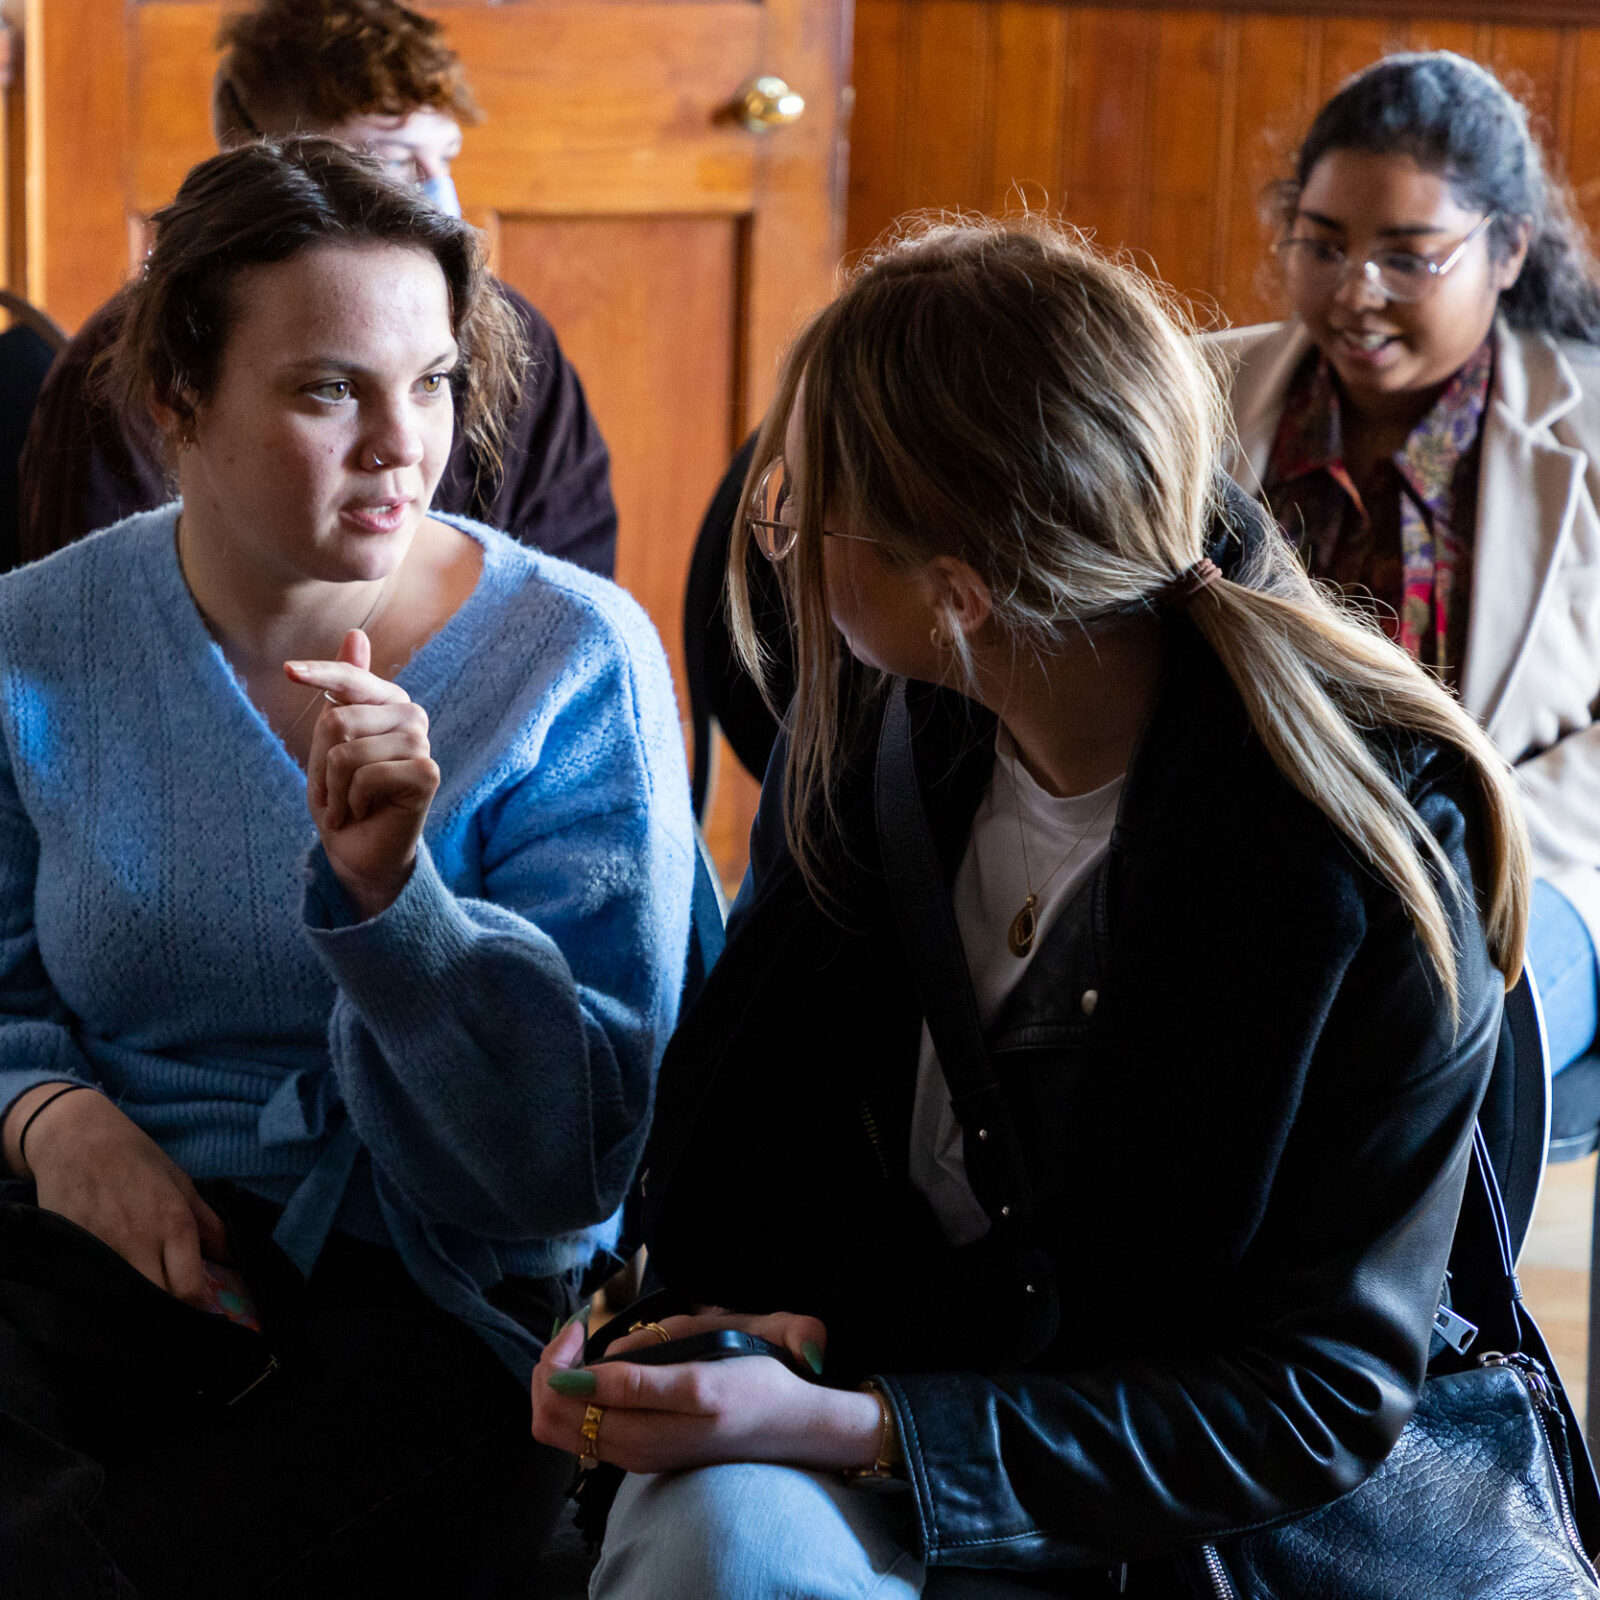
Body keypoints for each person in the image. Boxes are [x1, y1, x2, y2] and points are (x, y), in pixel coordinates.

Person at [526, 218, 1532, 1595]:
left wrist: (874, 1427)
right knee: (722, 1543)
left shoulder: (1353, 855)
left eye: (805, 509)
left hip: (1196, 1517)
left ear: (959, 593)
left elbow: (1316, 1395)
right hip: (899, 1414)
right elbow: (762, 1146)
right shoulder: (890, 729)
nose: (784, 545)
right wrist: (717, 1338)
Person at [0, 137, 693, 1597]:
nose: (401, 444)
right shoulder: (34, 638)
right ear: (177, 394)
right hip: (92, 1250)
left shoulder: (572, 658)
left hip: (435, 1305)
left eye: (431, 382)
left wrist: (396, 906)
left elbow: (562, 1168)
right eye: (329, 389)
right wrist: (52, 1116)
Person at [1206, 50, 1600, 1077]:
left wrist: (1464, 845)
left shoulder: (1590, 427)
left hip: (1532, 871)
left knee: (1431, 1027)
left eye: (1407, 257)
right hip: (1238, 850)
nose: (1355, 294)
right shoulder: (1194, 393)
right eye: (1322, 245)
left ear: (1507, 250)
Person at [18, 0, 617, 576]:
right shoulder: (145, 356)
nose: (438, 197)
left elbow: (566, 579)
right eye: (390, 162)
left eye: (431, 381)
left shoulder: (516, 339)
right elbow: (104, 604)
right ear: (258, 159)